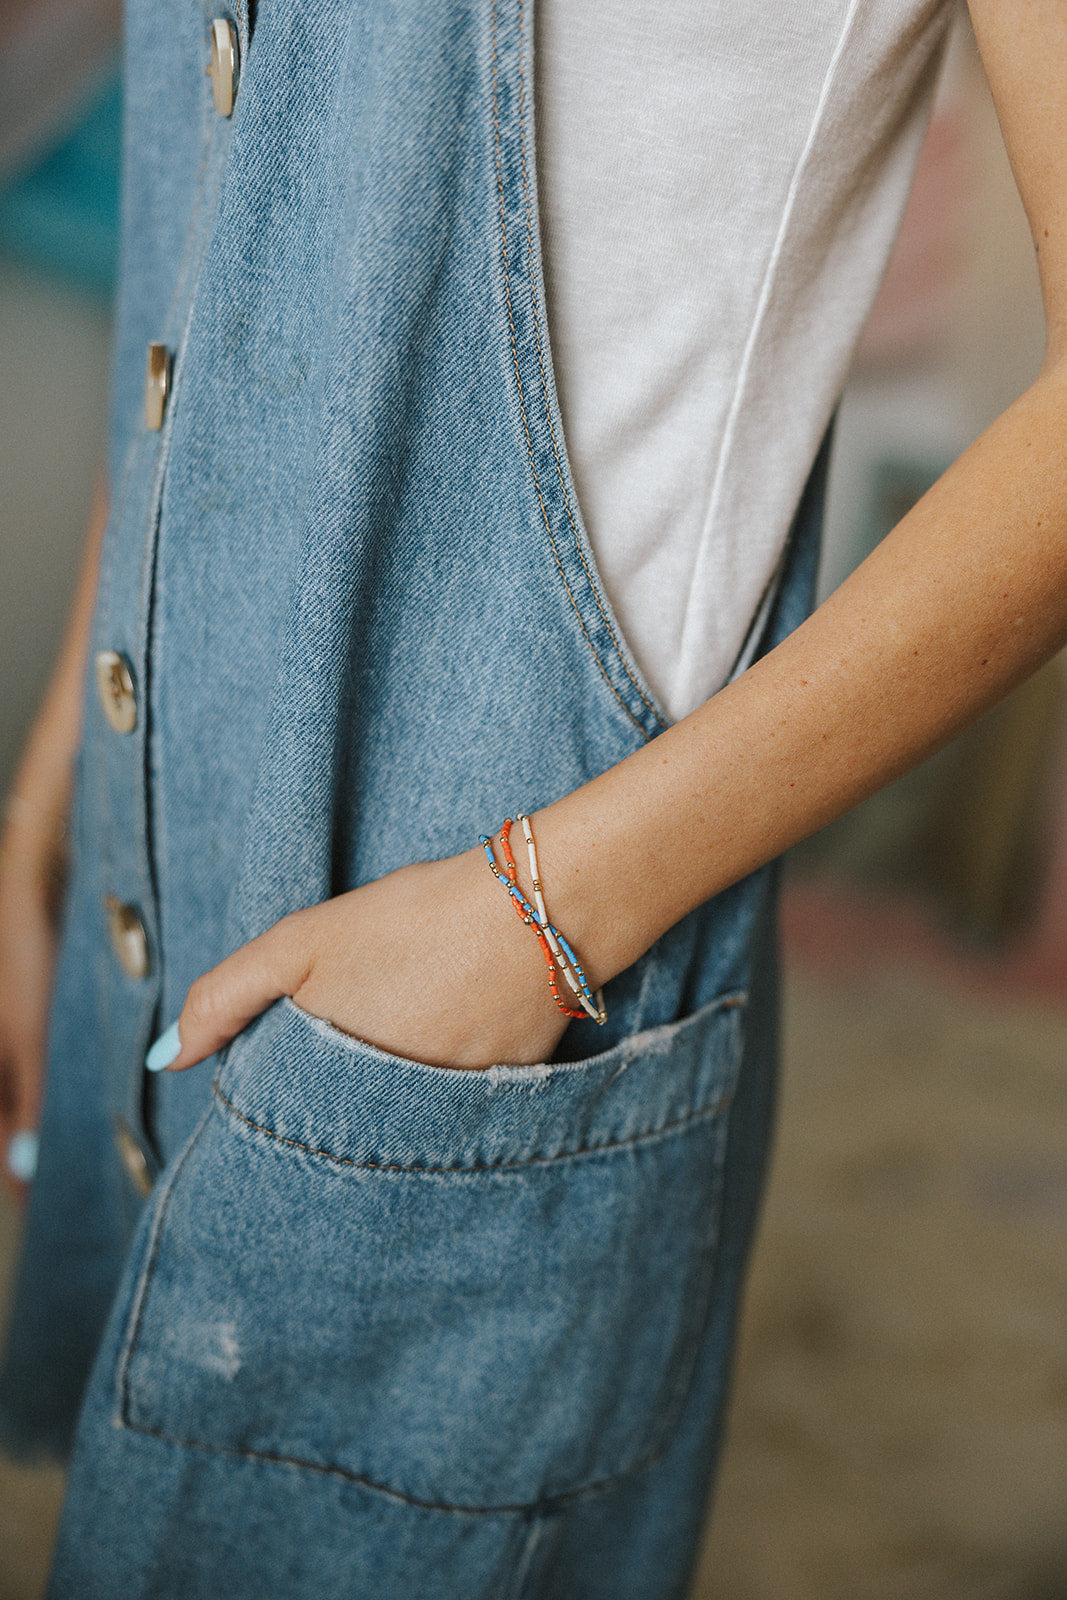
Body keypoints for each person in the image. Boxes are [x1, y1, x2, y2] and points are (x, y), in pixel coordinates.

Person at [1, 1, 1065, 1595]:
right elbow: (216, 244)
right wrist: (55, 790)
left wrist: (534, 915)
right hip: (157, 844)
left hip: (510, 957)